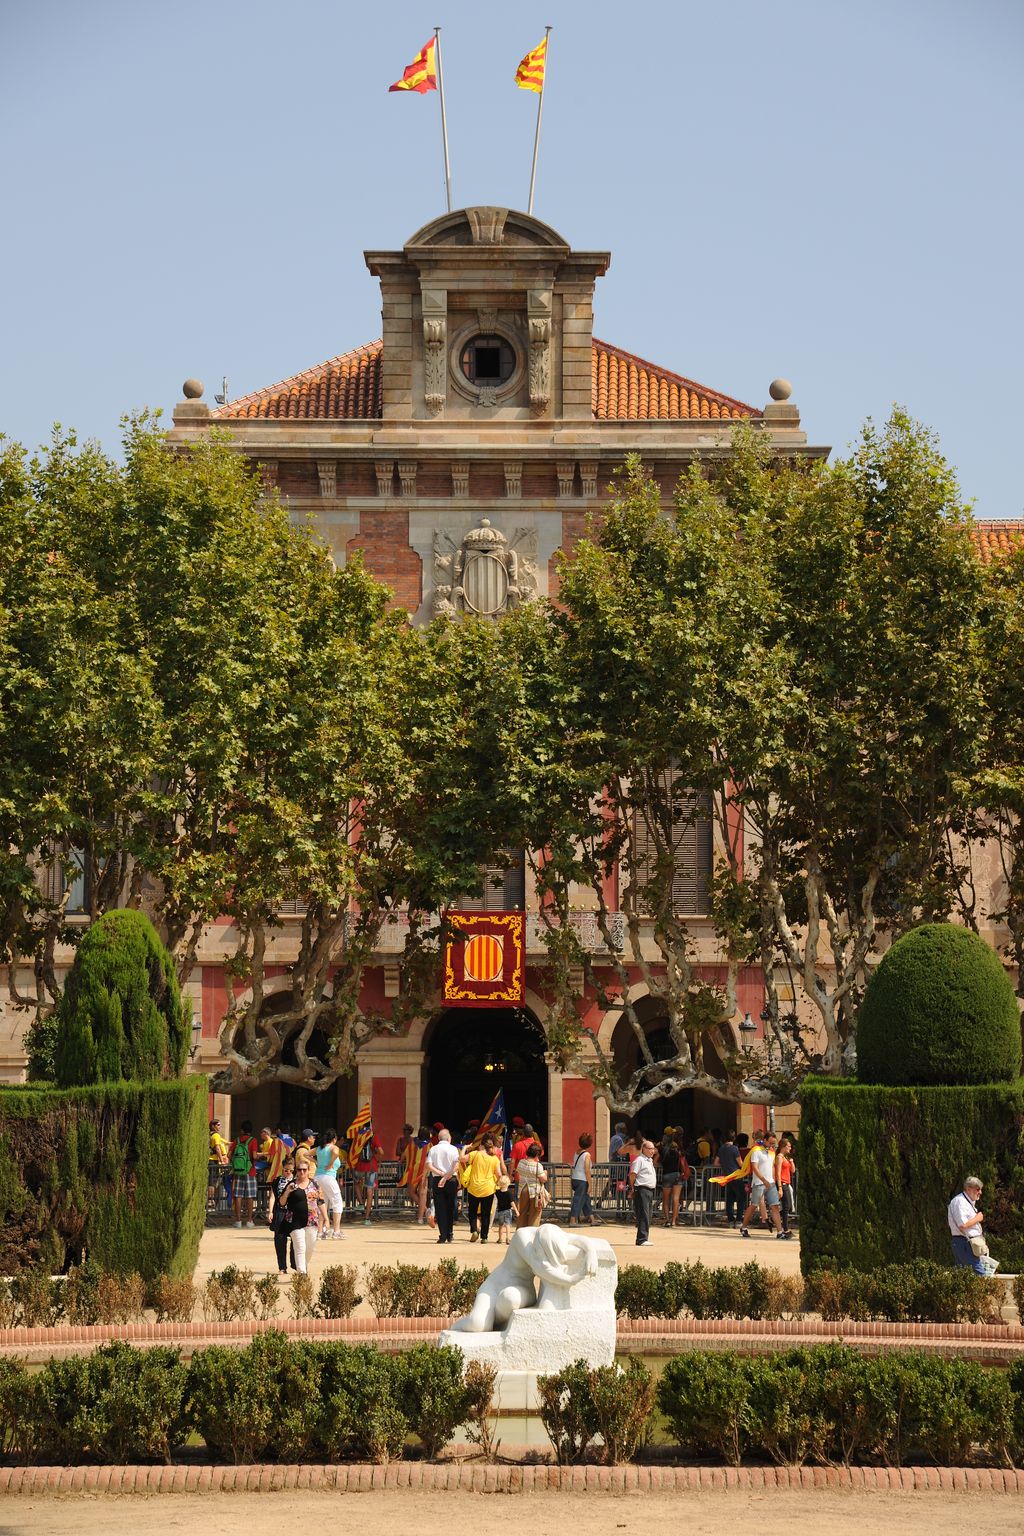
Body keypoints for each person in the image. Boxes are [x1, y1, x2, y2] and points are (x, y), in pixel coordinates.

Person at [740, 1133, 789, 1238]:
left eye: (773, 1144)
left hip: (770, 1183)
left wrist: (774, 1182)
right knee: (753, 1206)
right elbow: (755, 1168)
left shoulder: (772, 1153)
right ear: (765, 1140)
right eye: (770, 1143)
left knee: (775, 1206)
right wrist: (763, 1180)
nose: (772, 1145)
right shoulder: (756, 1151)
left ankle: (780, 1232)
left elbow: (772, 1167)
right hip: (759, 1183)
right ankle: (744, 1227)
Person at [285, 1156, 325, 1274]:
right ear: (296, 1171)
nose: (302, 1172)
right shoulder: (291, 1185)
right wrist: (287, 1192)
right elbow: (282, 1202)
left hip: (311, 1220)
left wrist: (326, 1219)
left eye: (304, 1170)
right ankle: (302, 1272)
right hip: (295, 1220)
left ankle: (304, 1266)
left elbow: (321, 1201)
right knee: (300, 1247)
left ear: (308, 1171)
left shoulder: (315, 1184)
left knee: (310, 1248)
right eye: (299, 1170)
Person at [460, 1132, 503, 1242]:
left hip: (474, 1187)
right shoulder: (494, 1159)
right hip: (488, 1189)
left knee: (473, 1212)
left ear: (482, 1144)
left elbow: (462, 1159)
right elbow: (499, 1174)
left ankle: (474, 1230)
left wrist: (464, 1147)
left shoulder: (475, 1154)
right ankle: (484, 1237)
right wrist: (496, 1183)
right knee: (486, 1213)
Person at [426, 1128, 461, 1244]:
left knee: (440, 1208)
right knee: (450, 1207)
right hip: (451, 1179)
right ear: (449, 1138)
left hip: (437, 1179)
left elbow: (429, 1165)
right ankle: (450, 1234)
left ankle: (442, 1235)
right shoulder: (453, 1149)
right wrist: (446, 1176)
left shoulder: (433, 1149)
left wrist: (441, 1175)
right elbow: (456, 1167)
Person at [948, 1176, 987, 1275]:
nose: (980, 1192)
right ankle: (989, 1291)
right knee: (980, 1274)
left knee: (962, 1275)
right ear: (968, 1189)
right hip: (965, 1242)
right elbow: (963, 1225)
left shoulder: (967, 1202)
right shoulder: (960, 1202)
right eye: (978, 1189)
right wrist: (978, 1218)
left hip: (967, 1242)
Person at [267, 1149, 296, 1276]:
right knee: (279, 1240)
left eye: (290, 1170)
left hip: (293, 1213)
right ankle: (282, 1267)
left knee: (296, 1240)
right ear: (282, 1168)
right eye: (286, 1170)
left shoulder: (297, 1181)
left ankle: (295, 1265)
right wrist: (270, 1211)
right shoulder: (277, 1181)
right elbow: (272, 1196)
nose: (288, 1172)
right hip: (279, 1212)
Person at [314, 1129, 345, 1240]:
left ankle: (320, 1231)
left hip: (318, 1177)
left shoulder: (319, 1148)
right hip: (328, 1177)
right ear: (334, 1139)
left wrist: (316, 1162)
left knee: (322, 1204)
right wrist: (330, 1163)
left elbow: (306, 1154)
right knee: (337, 1202)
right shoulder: (333, 1147)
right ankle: (336, 1231)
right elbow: (336, 1153)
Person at [229, 1119, 260, 1228]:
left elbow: (229, 1154)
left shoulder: (236, 1140)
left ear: (242, 1130)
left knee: (238, 1195)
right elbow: (254, 1156)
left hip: (238, 1171)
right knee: (250, 1196)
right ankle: (249, 1220)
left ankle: (238, 1220)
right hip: (250, 1171)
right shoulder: (253, 1140)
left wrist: (236, 1162)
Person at [352, 1125, 385, 1224]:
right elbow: (381, 1152)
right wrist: (378, 1159)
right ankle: (367, 1219)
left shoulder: (358, 1136)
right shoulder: (373, 1136)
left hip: (360, 1166)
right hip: (372, 1166)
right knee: (370, 1191)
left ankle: (361, 1203)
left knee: (356, 1182)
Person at [630, 1139, 657, 1246]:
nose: (652, 1151)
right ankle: (641, 1239)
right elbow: (633, 1175)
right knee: (643, 1214)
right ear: (644, 1149)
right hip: (642, 1189)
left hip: (649, 1190)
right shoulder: (639, 1160)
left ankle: (644, 1237)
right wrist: (632, 1188)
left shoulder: (649, 1160)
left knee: (648, 1214)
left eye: (653, 1149)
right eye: (650, 1149)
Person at [515, 1141, 548, 1229]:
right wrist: (545, 1173)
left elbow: (518, 1172)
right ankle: (531, 1233)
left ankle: (520, 1233)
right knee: (534, 1214)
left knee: (522, 1213)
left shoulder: (521, 1162)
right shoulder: (538, 1166)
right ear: (537, 1154)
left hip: (522, 1189)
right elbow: (543, 1179)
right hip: (534, 1192)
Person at [568, 1132, 598, 1226]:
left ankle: (592, 1219)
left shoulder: (577, 1152)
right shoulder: (587, 1155)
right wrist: (590, 1184)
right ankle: (572, 1220)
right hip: (582, 1180)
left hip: (575, 1178)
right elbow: (587, 1170)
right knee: (578, 1200)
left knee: (586, 1199)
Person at [716, 1131, 744, 1225]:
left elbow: (716, 1163)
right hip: (736, 1175)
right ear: (734, 1138)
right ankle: (739, 1219)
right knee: (741, 1197)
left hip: (727, 1176)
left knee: (730, 1198)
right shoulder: (734, 1148)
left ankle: (731, 1219)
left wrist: (724, 1165)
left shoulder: (721, 1148)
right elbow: (740, 1163)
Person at [658, 1130, 684, 1227]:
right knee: (676, 1199)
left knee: (665, 1199)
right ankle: (674, 1221)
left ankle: (667, 1219)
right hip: (677, 1175)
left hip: (666, 1175)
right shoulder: (677, 1151)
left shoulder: (662, 1151)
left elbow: (656, 1162)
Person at [775, 1136, 796, 1233]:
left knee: (789, 1206)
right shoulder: (779, 1157)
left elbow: (793, 1170)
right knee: (786, 1206)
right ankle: (786, 1228)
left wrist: (791, 1162)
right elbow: (778, 1173)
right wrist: (779, 1187)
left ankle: (774, 1218)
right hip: (782, 1183)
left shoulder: (786, 1157)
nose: (790, 1148)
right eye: (788, 1146)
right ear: (783, 1146)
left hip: (787, 1183)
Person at [208, 1118, 230, 1212]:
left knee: (212, 1181)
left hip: (210, 1160)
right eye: (218, 1125)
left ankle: (210, 1200)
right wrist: (222, 1160)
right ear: (213, 1126)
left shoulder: (211, 1134)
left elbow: (226, 1142)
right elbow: (217, 1148)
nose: (219, 1127)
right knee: (212, 1182)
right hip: (214, 1160)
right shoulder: (216, 1135)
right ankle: (210, 1200)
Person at [493, 1173, 517, 1244]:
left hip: (500, 1211)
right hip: (508, 1211)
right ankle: (508, 1238)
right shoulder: (509, 1193)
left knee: (500, 1225)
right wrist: (516, 1210)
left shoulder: (497, 1192)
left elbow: (494, 1187)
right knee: (508, 1225)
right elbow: (512, 1202)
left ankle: (500, 1238)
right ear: (508, 1183)